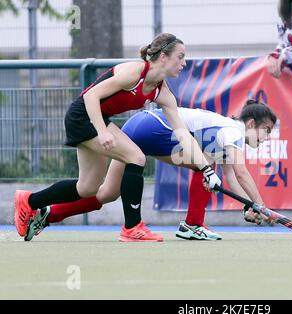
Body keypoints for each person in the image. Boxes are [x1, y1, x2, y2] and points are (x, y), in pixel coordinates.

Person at [14, 33, 221, 242]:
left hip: (98, 118)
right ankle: (132, 228)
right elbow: (90, 96)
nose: (184, 63)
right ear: (164, 56)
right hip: (83, 116)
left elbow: (182, 134)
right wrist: (102, 131)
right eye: (180, 56)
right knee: (136, 157)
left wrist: (207, 170)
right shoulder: (134, 72)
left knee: (87, 188)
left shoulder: (163, 93)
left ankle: (29, 201)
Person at [24, 100, 278, 242]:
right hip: (153, 126)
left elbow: (231, 178)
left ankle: (46, 215)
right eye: (266, 130)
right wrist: (261, 205)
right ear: (251, 123)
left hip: (140, 124)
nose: (266, 138)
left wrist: (249, 206)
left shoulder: (225, 135)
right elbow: (242, 173)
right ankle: (193, 225)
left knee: (106, 193)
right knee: (206, 167)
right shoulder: (233, 131)